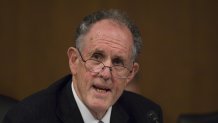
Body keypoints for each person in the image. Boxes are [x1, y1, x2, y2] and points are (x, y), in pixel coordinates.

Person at [3, 9, 162, 123]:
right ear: (74, 61)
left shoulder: (147, 115)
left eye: (118, 62)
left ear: (130, 74)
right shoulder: (27, 118)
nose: (106, 74)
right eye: (97, 57)